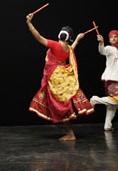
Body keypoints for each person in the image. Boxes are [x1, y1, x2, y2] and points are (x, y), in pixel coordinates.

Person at [26, 13, 94, 141]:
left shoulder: (56, 45)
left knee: (60, 104)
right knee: (62, 103)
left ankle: (70, 134)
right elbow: (71, 49)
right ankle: (70, 132)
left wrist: (29, 23)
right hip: (61, 77)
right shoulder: (67, 48)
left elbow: (39, 38)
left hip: (54, 78)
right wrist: (78, 39)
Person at [90, 29, 118, 131]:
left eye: (115, 36)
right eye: (111, 37)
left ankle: (107, 125)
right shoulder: (109, 49)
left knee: (114, 104)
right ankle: (95, 99)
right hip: (112, 78)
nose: (113, 38)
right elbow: (102, 51)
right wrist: (101, 42)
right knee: (117, 99)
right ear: (109, 40)